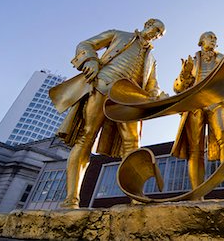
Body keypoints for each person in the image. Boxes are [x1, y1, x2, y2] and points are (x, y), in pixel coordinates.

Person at [50, 18, 166, 208]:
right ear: (148, 24)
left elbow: (153, 84)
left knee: (133, 144)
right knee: (86, 136)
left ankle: (136, 198)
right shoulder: (118, 34)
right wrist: (90, 60)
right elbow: (86, 44)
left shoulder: (152, 60)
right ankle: (71, 199)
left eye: (160, 34)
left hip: (129, 100)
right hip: (103, 87)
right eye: (157, 29)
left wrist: (155, 94)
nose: (157, 35)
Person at [171, 31, 224, 199]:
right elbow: (177, 88)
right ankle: (198, 198)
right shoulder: (192, 61)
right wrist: (184, 74)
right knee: (195, 150)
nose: (214, 40)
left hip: (217, 102)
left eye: (215, 38)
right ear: (200, 41)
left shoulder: (223, 57)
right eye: (210, 37)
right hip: (194, 104)